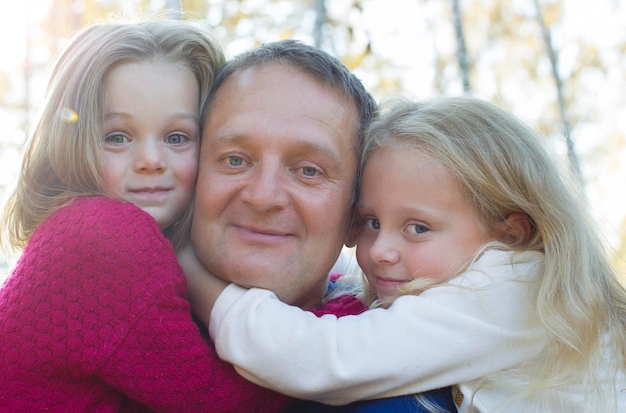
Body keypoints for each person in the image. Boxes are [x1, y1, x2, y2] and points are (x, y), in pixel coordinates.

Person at [187, 96, 626, 413]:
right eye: (371, 222)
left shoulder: (517, 285)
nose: (380, 251)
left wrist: (190, 267)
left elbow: (320, 358)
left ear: (510, 235)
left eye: (418, 228)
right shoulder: (456, 277)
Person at [0, 19, 297, 413]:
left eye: (177, 137)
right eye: (117, 137)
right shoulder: (103, 235)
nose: (151, 161)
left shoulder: (79, 229)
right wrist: (336, 309)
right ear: (71, 142)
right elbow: (210, 400)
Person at [181, 39, 456, 412]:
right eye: (235, 160)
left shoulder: (422, 376)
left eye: (309, 170)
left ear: (355, 219)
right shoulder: (100, 316)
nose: (264, 196)